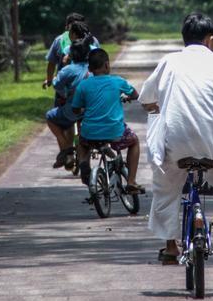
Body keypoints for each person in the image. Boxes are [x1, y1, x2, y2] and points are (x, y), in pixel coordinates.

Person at [138, 12, 213, 265]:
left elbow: (145, 97)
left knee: (165, 185)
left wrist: (158, 104)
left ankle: (170, 247)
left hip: (175, 146)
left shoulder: (169, 61)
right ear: (210, 40)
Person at [71, 48, 144, 193]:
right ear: (106, 65)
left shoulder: (83, 85)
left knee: (83, 143)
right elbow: (135, 94)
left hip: (90, 132)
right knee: (134, 141)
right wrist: (127, 97)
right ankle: (131, 181)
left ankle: (84, 163)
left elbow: (75, 109)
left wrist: (84, 109)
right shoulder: (118, 81)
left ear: (90, 68)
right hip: (114, 132)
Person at [45, 36, 91, 170]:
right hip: (92, 111)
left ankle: (67, 148)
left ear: (71, 54)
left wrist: (65, 93)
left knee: (50, 117)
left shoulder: (67, 70)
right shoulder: (94, 69)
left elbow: (57, 85)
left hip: (72, 111)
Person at [42, 13, 85, 89]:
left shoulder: (59, 41)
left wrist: (49, 80)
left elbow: (52, 63)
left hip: (64, 86)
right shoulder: (92, 40)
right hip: (86, 84)